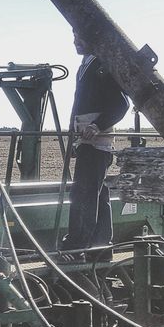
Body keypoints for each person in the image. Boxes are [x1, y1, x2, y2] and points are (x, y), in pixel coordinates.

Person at [61, 31, 129, 260]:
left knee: (83, 193)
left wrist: (98, 125)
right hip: (86, 140)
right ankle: (101, 247)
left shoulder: (101, 66)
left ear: (92, 40)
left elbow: (121, 104)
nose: (74, 42)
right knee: (98, 193)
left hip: (95, 141)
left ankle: (77, 245)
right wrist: (74, 135)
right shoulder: (87, 66)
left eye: (78, 37)